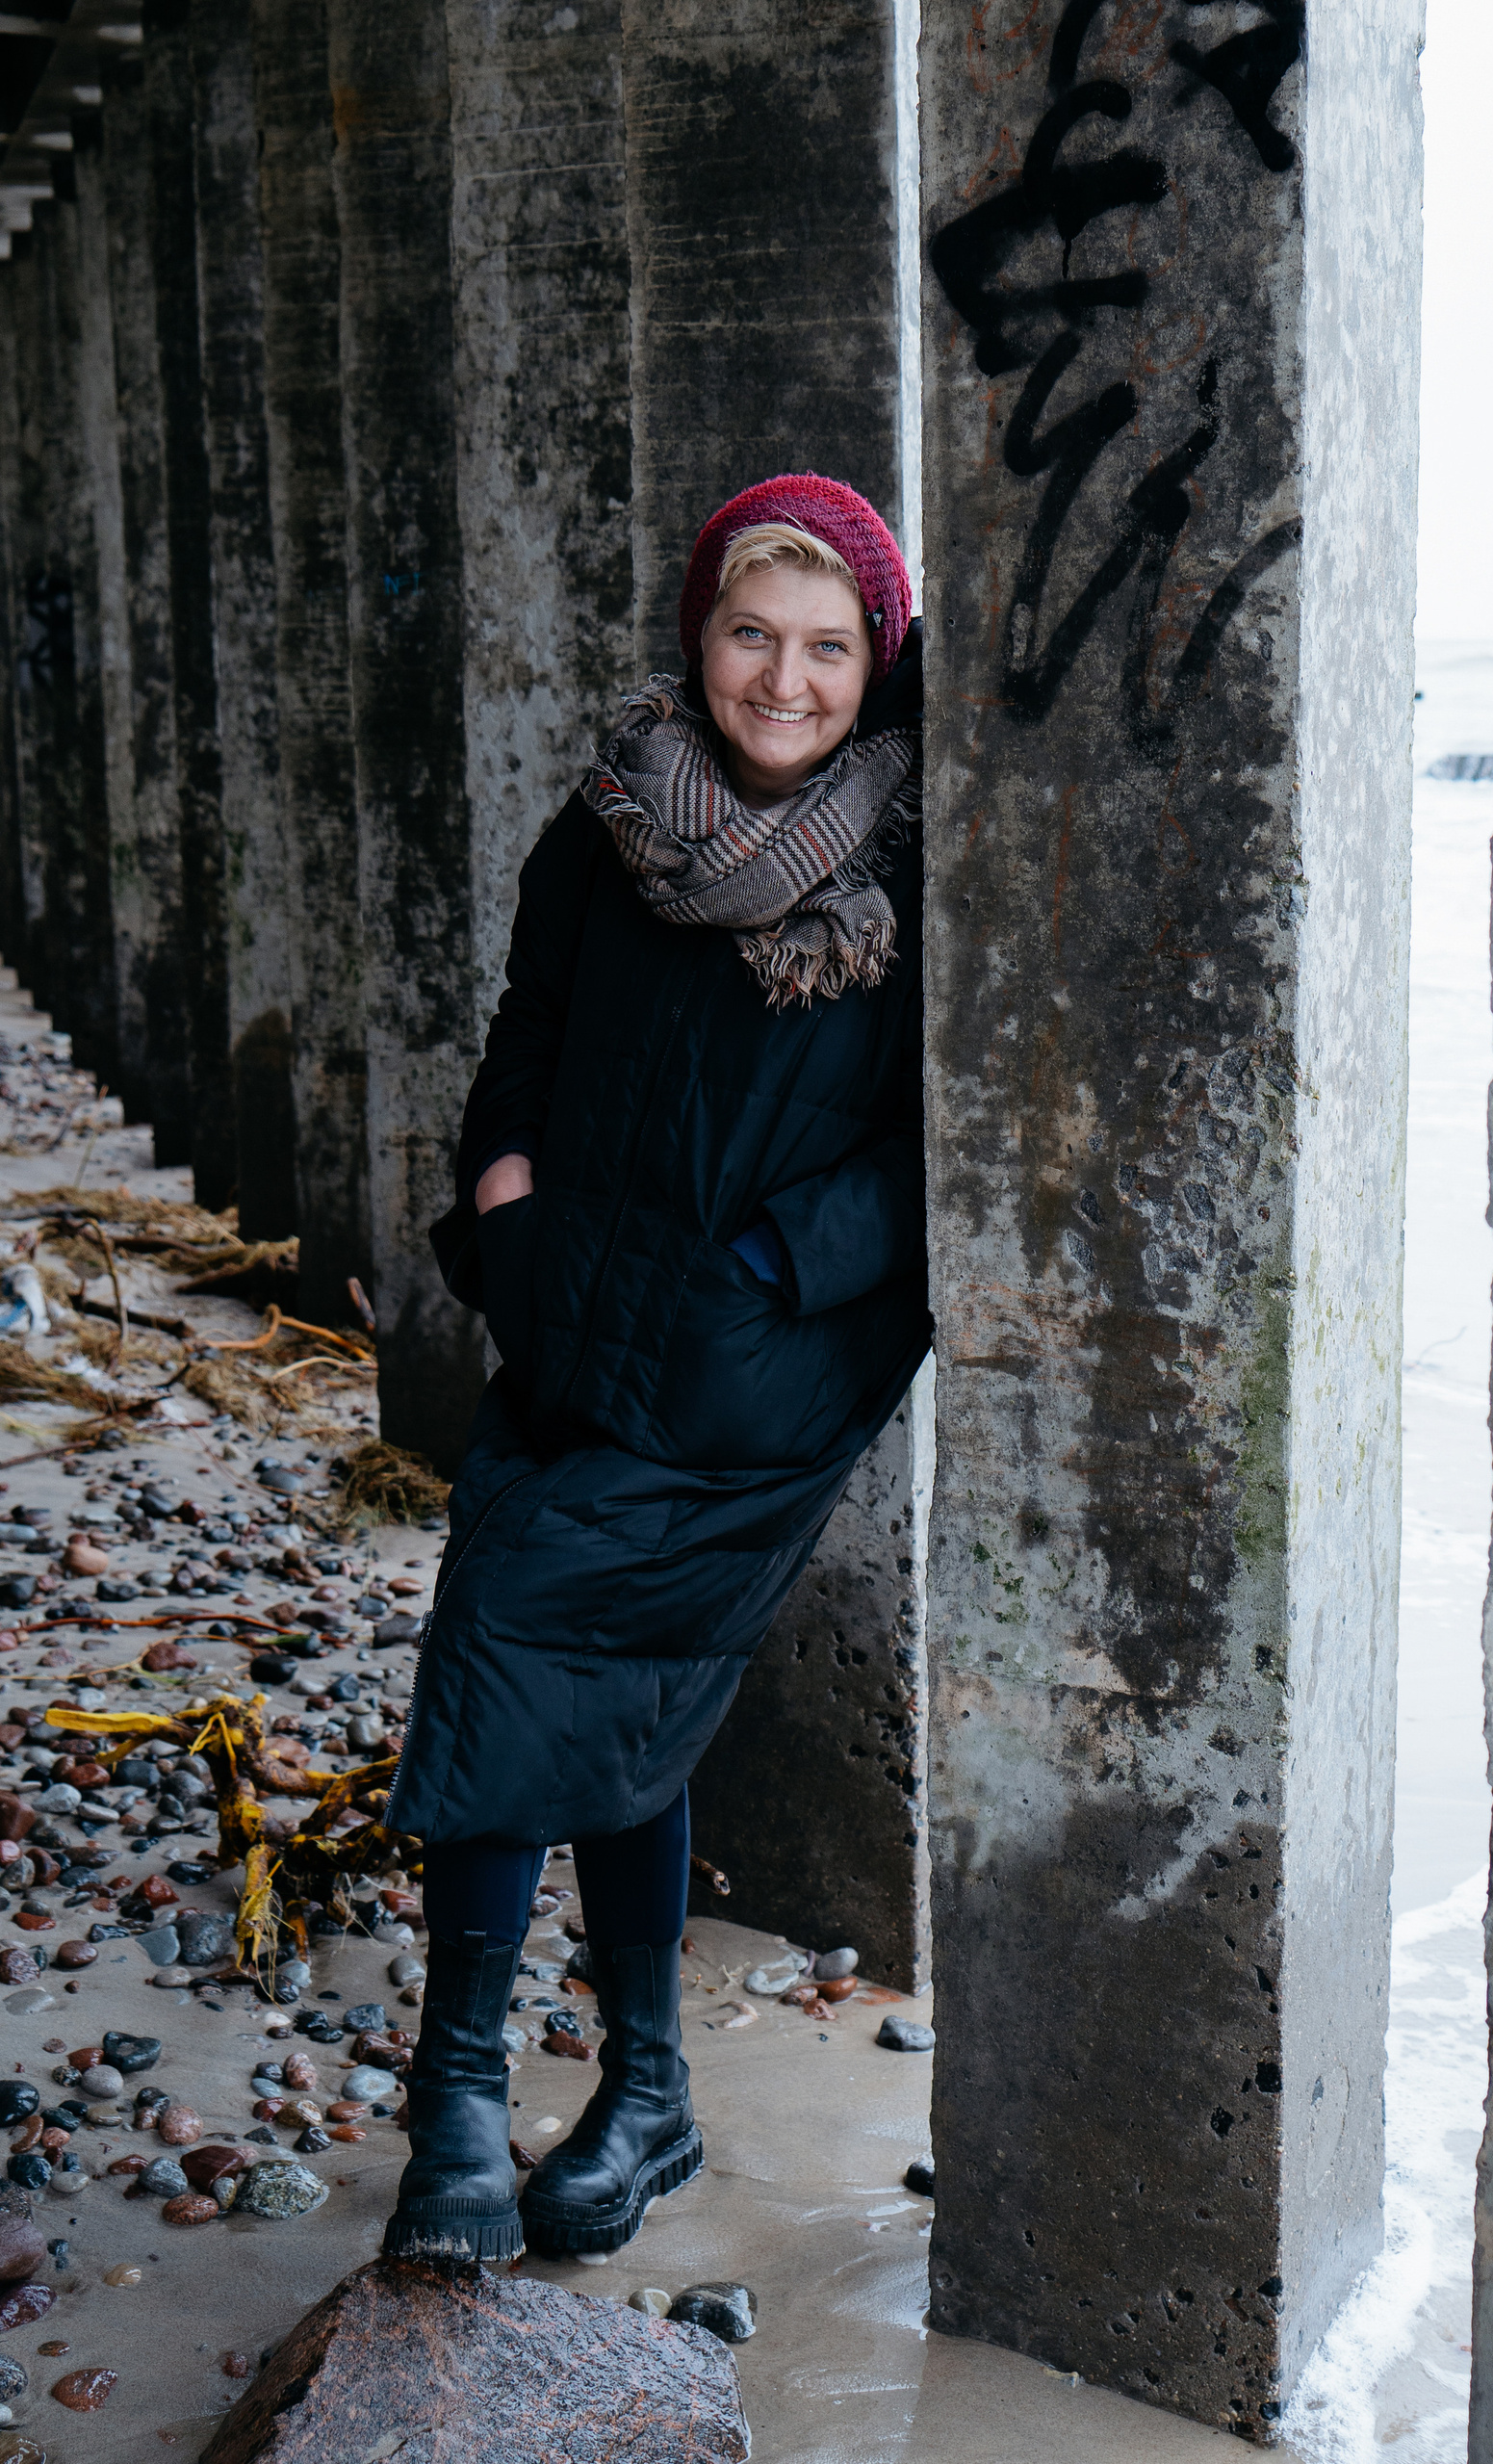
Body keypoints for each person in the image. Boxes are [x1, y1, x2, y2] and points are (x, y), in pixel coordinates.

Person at [379, 475, 929, 2264]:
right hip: (575, 1315)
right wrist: (507, 1206)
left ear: (876, 661)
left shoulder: (915, 862)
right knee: (618, 1679)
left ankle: (469, 2098)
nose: (786, 680)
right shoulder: (607, 826)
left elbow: (945, 1146)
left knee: (516, 1630)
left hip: (762, 1364)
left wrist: (767, 1271)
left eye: (827, 646)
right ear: (701, 639)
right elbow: (526, 1033)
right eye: (752, 634)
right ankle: (638, 2093)